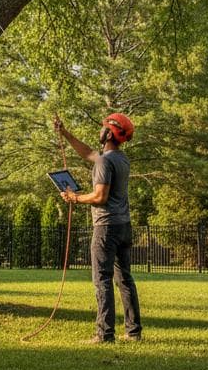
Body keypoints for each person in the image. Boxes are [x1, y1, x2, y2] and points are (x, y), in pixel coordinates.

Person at [52, 112, 142, 344]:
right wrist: (64, 133)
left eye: (104, 127)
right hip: (123, 226)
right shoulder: (120, 159)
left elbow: (100, 196)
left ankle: (104, 334)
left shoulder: (105, 161)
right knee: (124, 279)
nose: (101, 130)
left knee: (102, 279)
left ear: (109, 134)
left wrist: (75, 198)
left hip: (106, 227)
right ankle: (133, 332)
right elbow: (88, 153)